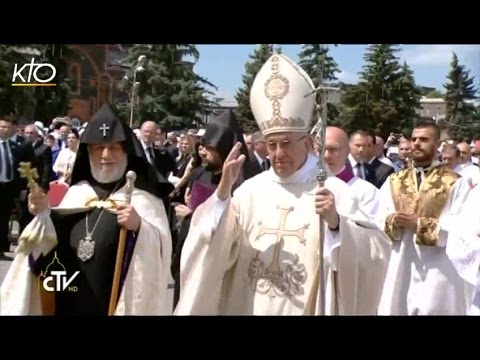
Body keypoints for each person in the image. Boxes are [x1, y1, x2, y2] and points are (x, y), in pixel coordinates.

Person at [174, 53, 391, 316]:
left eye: (286, 143)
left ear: (309, 144)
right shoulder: (250, 191)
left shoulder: (333, 191)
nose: (278, 153)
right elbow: (209, 246)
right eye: (272, 145)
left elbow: (376, 254)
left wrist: (336, 224)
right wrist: (222, 195)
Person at [0, 103, 173, 316]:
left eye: (114, 148)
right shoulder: (77, 194)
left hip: (116, 301)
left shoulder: (144, 199)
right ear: (88, 152)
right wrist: (44, 215)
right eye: (99, 148)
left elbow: (163, 251)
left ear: (126, 152)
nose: (106, 155)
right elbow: (49, 246)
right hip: (70, 296)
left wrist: (140, 226)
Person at [376, 120, 472, 315]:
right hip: (401, 264)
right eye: (414, 139)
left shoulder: (455, 182)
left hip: (439, 269)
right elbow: (378, 218)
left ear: (437, 145)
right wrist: (392, 221)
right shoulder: (394, 181)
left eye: (424, 139)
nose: (417, 143)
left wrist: (419, 224)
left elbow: (463, 227)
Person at [323, 126, 380, 219]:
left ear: (347, 150)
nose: (326, 155)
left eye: (333, 149)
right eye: (320, 149)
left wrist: (336, 223)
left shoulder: (368, 193)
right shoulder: (302, 187)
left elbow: (372, 231)